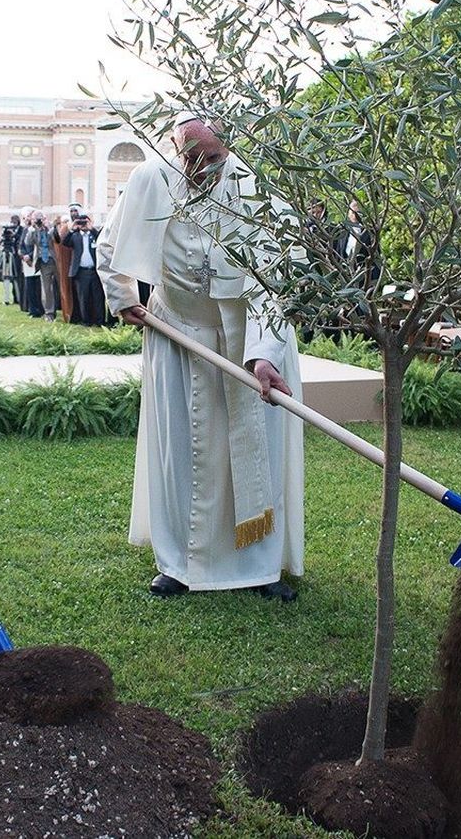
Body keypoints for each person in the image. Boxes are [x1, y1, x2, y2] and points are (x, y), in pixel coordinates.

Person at [98, 114, 304, 602]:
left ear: (228, 149)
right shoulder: (150, 178)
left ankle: (260, 567)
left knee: (254, 453)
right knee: (181, 453)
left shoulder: (255, 188)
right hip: (175, 335)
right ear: (175, 150)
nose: (203, 169)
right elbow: (110, 246)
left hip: (246, 338)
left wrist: (264, 355)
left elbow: (276, 281)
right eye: (191, 159)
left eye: (213, 158)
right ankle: (177, 564)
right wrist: (123, 297)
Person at [60, 211, 106, 325]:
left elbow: (102, 240)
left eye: (85, 222)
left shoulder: (94, 235)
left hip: (95, 271)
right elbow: (64, 243)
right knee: (83, 297)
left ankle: (99, 320)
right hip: (81, 271)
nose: (83, 225)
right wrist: (73, 228)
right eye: (81, 223)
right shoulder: (75, 236)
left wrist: (92, 229)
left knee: (98, 297)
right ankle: (86, 320)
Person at [26, 211, 57, 321]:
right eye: (36, 219)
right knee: (46, 288)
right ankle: (49, 313)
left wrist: (48, 227)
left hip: (56, 260)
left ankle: (68, 311)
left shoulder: (51, 227)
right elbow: (28, 242)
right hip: (43, 262)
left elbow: (56, 239)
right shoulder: (33, 230)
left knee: (62, 286)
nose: (39, 221)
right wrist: (32, 228)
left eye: (40, 218)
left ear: (44, 218)